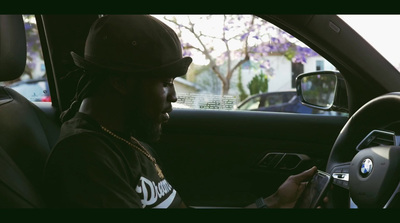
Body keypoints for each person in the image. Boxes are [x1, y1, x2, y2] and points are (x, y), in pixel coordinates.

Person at [42, 14, 319, 208]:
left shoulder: (130, 141)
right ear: (120, 82)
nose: (174, 96)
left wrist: (273, 203)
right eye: (165, 83)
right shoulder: (85, 159)